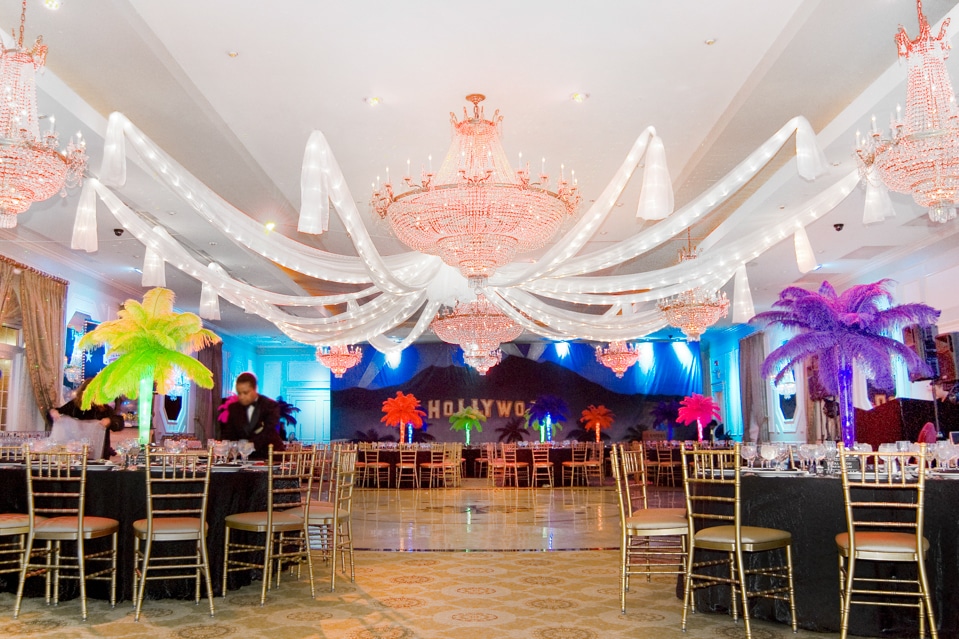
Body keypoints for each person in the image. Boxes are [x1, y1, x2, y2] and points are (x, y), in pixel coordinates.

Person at [50, 378, 125, 459]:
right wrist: (53, 412)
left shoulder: (105, 409)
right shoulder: (73, 406)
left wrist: (110, 421)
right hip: (75, 455)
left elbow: (119, 423)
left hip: (99, 457)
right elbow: (56, 415)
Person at [221, 372, 285, 459]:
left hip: (269, 456)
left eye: (245, 393)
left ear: (255, 389)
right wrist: (227, 447)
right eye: (239, 393)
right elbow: (229, 433)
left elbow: (268, 431)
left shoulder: (270, 406)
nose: (241, 397)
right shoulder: (233, 408)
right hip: (243, 458)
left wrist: (251, 445)